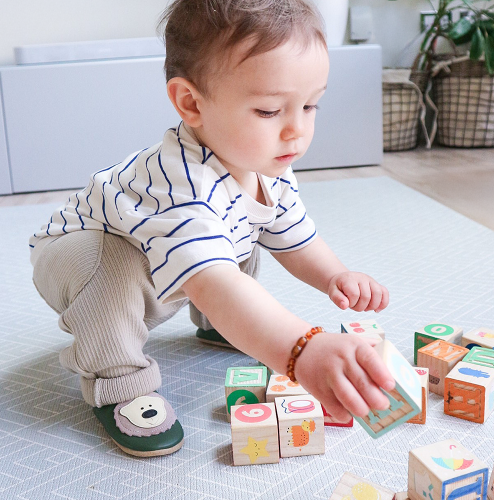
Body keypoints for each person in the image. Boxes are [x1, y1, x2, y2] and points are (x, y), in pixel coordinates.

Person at [29, 0, 394, 458]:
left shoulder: (265, 165)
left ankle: (220, 326)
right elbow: (215, 283)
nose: (296, 130)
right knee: (125, 270)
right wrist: (301, 350)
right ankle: (119, 378)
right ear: (191, 103)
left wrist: (334, 275)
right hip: (79, 252)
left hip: (173, 251)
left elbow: (293, 234)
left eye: (310, 105)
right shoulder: (183, 184)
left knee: (242, 230)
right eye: (268, 111)